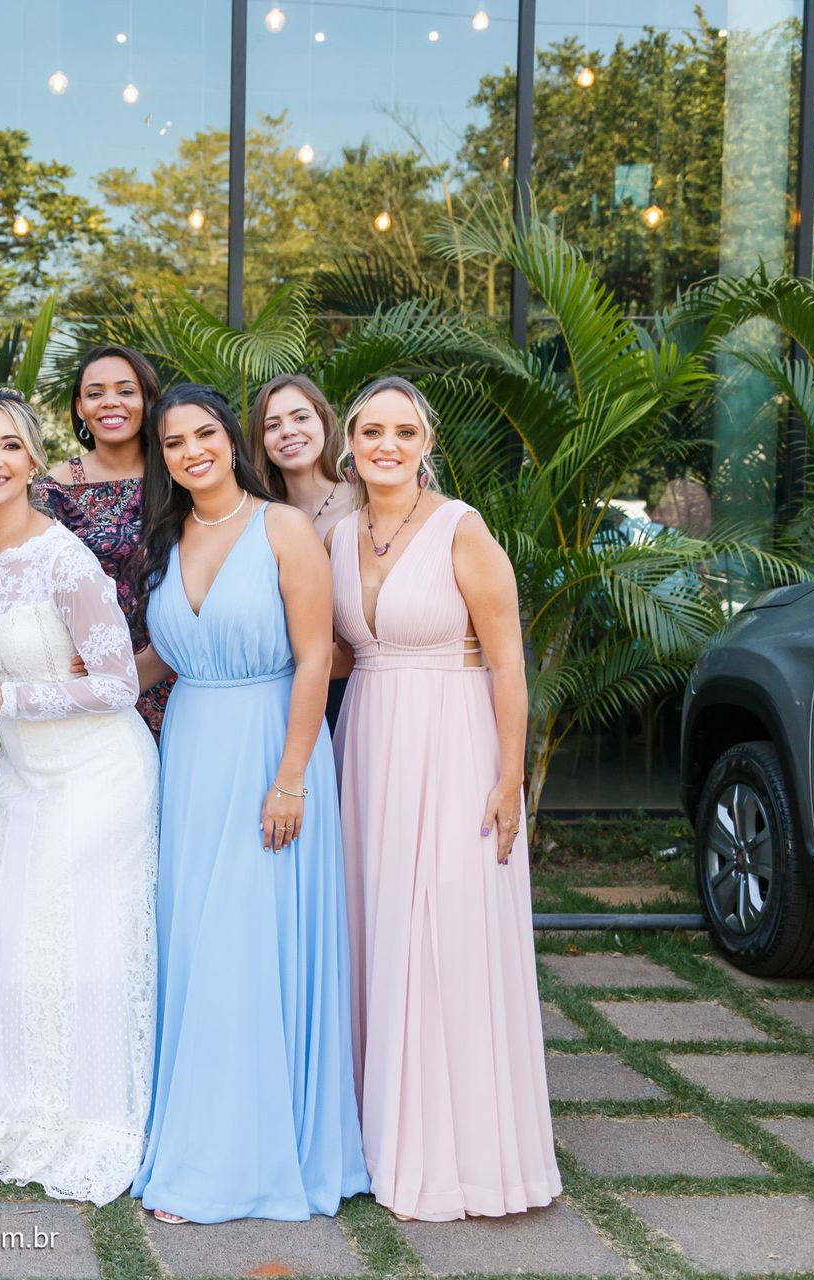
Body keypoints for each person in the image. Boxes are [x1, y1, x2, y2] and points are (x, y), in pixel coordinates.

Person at [128, 383, 369, 1223]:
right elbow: (165, 652)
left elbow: (314, 657)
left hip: (273, 744)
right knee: (197, 945)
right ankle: (201, 1135)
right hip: (190, 753)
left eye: (204, 435)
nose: (191, 451)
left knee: (246, 947)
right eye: (173, 442)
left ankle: (231, 1165)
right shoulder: (170, 535)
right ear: (162, 458)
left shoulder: (283, 528)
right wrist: (82, 687)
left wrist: (292, 776)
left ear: (232, 440)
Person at [0, 390, 158, 1206]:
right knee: (12, 946)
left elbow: (120, 683)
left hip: (96, 776)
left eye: (8, 446)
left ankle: (84, 1119)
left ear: (32, 463)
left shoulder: (66, 560)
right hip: (24, 778)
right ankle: (14, 1105)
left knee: (82, 951)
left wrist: (8, 697)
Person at [331, 376, 558, 1221]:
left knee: (450, 929)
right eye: (370, 430)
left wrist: (510, 776)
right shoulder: (339, 534)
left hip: (457, 741)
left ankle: (465, 1154)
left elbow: (508, 659)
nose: (386, 445)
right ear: (349, 444)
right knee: (380, 926)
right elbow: (344, 653)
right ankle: (378, 1131)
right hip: (371, 741)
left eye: (403, 431)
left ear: (427, 442)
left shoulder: (463, 529)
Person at [35, 345, 173, 735]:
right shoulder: (52, 490)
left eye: (126, 391)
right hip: (94, 681)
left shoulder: (180, 473)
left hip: (187, 669)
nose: (111, 402)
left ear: (147, 398)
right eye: (96, 393)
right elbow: (40, 589)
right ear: (80, 407)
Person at [253, 373, 356, 731]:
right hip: (277, 693)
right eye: (273, 424)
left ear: (324, 422)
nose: (288, 431)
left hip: (355, 689)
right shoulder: (253, 517)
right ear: (261, 440)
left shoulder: (366, 500)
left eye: (300, 417)